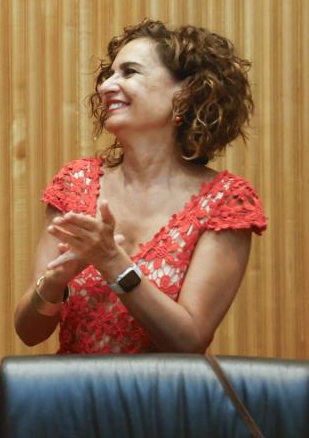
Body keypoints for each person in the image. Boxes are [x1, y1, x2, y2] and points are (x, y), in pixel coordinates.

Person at [14, 19, 267, 353]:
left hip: (163, 389)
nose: (106, 86)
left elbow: (188, 341)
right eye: (109, 75)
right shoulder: (76, 183)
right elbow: (29, 333)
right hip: (72, 387)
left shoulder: (225, 202)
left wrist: (113, 263)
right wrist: (55, 281)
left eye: (129, 72)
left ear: (186, 94)